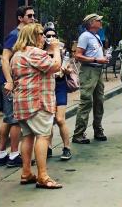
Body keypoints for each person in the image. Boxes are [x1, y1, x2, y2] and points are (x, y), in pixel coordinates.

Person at [11, 23, 62, 189]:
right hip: (38, 101)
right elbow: (55, 66)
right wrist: (56, 50)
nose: (44, 37)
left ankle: (26, 172)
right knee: (43, 135)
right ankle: (43, 176)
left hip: (22, 102)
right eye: (41, 34)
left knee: (28, 136)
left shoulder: (17, 54)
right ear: (33, 36)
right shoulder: (35, 53)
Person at [0, 6, 36, 168]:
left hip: (12, 81)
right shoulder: (15, 35)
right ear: (20, 18)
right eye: (29, 15)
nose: (33, 18)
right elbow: (5, 58)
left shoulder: (23, 34)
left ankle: (2, 153)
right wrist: (9, 80)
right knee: (15, 119)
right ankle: (13, 154)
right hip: (12, 82)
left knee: (8, 117)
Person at [73, 13, 109, 144]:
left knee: (99, 100)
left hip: (97, 70)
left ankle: (98, 129)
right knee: (86, 101)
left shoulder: (96, 36)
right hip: (89, 70)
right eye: (99, 20)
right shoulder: (85, 36)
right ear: (92, 23)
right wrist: (96, 59)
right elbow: (78, 55)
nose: (101, 22)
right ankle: (78, 133)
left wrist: (102, 58)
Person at [43, 25, 73, 161]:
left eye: (53, 36)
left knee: (60, 119)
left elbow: (69, 68)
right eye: (47, 36)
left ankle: (67, 147)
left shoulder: (62, 52)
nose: (50, 38)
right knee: (47, 120)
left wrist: (66, 70)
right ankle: (47, 147)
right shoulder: (40, 52)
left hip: (60, 86)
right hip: (46, 88)